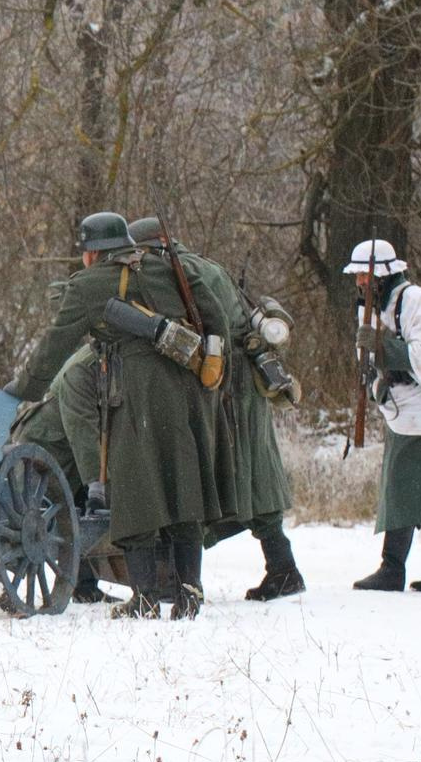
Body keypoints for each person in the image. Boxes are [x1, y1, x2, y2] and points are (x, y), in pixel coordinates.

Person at [5, 211, 231, 618]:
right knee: (183, 484)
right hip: (187, 390)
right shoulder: (168, 267)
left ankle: (145, 598)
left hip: (134, 390)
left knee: (135, 488)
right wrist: (212, 360)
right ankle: (189, 592)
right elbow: (216, 317)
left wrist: (22, 390)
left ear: (92, 252)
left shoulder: (89, 285)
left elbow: (55, 346)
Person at [128, 218, 304, 600]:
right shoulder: (204, 264)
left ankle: (272, 570)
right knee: (253, 471)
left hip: (226, 378)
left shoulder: (182, 271)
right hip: (238, 376)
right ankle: (282, 567)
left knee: (228, 472)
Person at [343, 240, 421, 593]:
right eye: (357, 276)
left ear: (383, 275)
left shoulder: (420, 302)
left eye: (365, 275)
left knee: (403, 488)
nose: (359, 283)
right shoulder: (370, 307)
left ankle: (393, 569)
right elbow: (367, 361)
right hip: (400, 411)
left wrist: (382, 345)